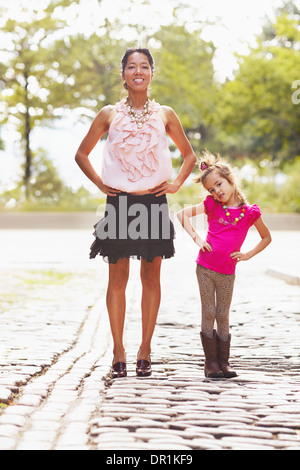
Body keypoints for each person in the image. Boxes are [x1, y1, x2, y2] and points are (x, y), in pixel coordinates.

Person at [75, 48, 196, 379]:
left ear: (152, 74)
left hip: (154, 203)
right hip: (120, 205)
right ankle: (118, 352)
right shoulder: (108, 114)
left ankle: (145, 350)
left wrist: (175, 186)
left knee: (151, 277)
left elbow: (189, 156)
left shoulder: (166, 114)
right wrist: (102, 183)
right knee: (117, 278)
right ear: (124, 74)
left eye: (145, 66)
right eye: (132, 66)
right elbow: (81, 154)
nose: (138, 71)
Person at [177, 151, 271, 378]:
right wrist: (197, 239)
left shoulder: (249, 213)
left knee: (223, 314)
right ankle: (211, 364)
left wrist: (247, 255)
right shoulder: (211, 205)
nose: (217, 191)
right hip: (205, 269)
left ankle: (224, 363)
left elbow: (266, 237)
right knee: (208, 312)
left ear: (230, 180)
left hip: (227, 273)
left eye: (219, 184)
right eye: (211, 189)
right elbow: (182, 215)